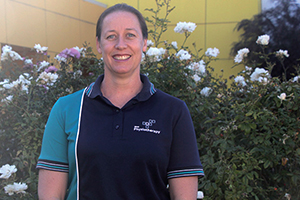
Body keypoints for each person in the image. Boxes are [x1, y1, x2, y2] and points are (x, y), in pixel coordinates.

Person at [37, 3, 204, 200]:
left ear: (144, 43)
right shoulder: (66, 109)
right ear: (99, 44)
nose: (120, 45)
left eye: (130, 35)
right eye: (111, 36)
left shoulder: (173, 111)